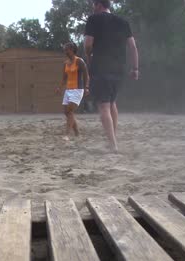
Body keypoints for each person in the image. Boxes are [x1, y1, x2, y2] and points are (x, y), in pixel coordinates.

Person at [84, 0, 139, 152]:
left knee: (103, 105)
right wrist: (135, 68)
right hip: (119, 69)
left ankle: (113, 145)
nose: (93, 8)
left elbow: (88, 44)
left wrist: (89, 58)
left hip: (101, 68)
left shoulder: (93, 19)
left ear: (98, 5)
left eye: (93, 5)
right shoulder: (123, 22)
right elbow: (133, 47)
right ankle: (112, 139)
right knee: (112, 102)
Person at [56, 42, 89, 140]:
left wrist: (87, 87)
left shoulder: (79, 61)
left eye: (67, 49)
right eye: (64, 50)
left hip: (78, 90)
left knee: (69, 111)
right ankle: (77, 134)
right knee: (66, 112)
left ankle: (66, 134)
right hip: (68, 90)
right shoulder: (65, 63)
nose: (65, 51)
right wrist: (60, 88)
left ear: (72, 50)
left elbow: (86, 75)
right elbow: (64, 78)